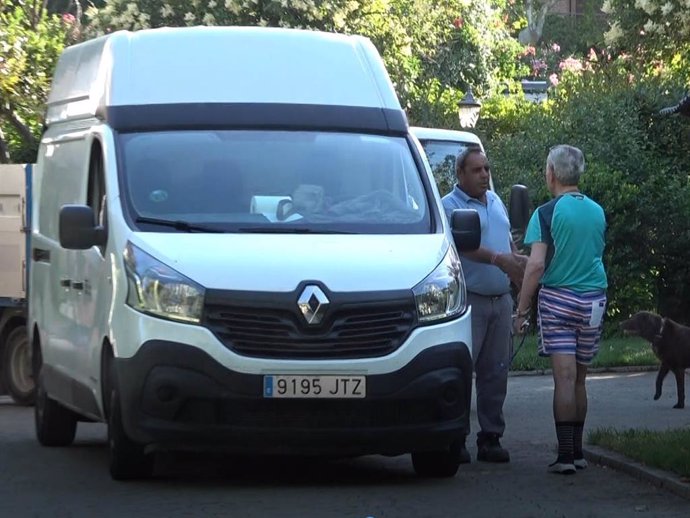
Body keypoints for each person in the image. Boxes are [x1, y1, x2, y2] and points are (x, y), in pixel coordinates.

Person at [513, 144, 607, 475]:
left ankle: (565, 457)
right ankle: (579, 452)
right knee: (580, 378)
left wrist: (521, 310)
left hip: (559, 300)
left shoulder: (546, 213)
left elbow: (536, 265)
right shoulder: (597, 211)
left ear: (551, 174)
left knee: (563, 379)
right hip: (594, 297)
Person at [442, 145, 527, 463]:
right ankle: (454, 438)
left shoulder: (495, 200)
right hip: (469, 302)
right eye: (477, 170)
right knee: (461, 371)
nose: (484, 175)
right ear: (460, 173)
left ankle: (491, 437)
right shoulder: (448, 207)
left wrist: (519, 264)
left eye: (487, 168)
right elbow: (462, 248)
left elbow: (506, 242)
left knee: (496, 372)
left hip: (500, 301)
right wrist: (498, 259)